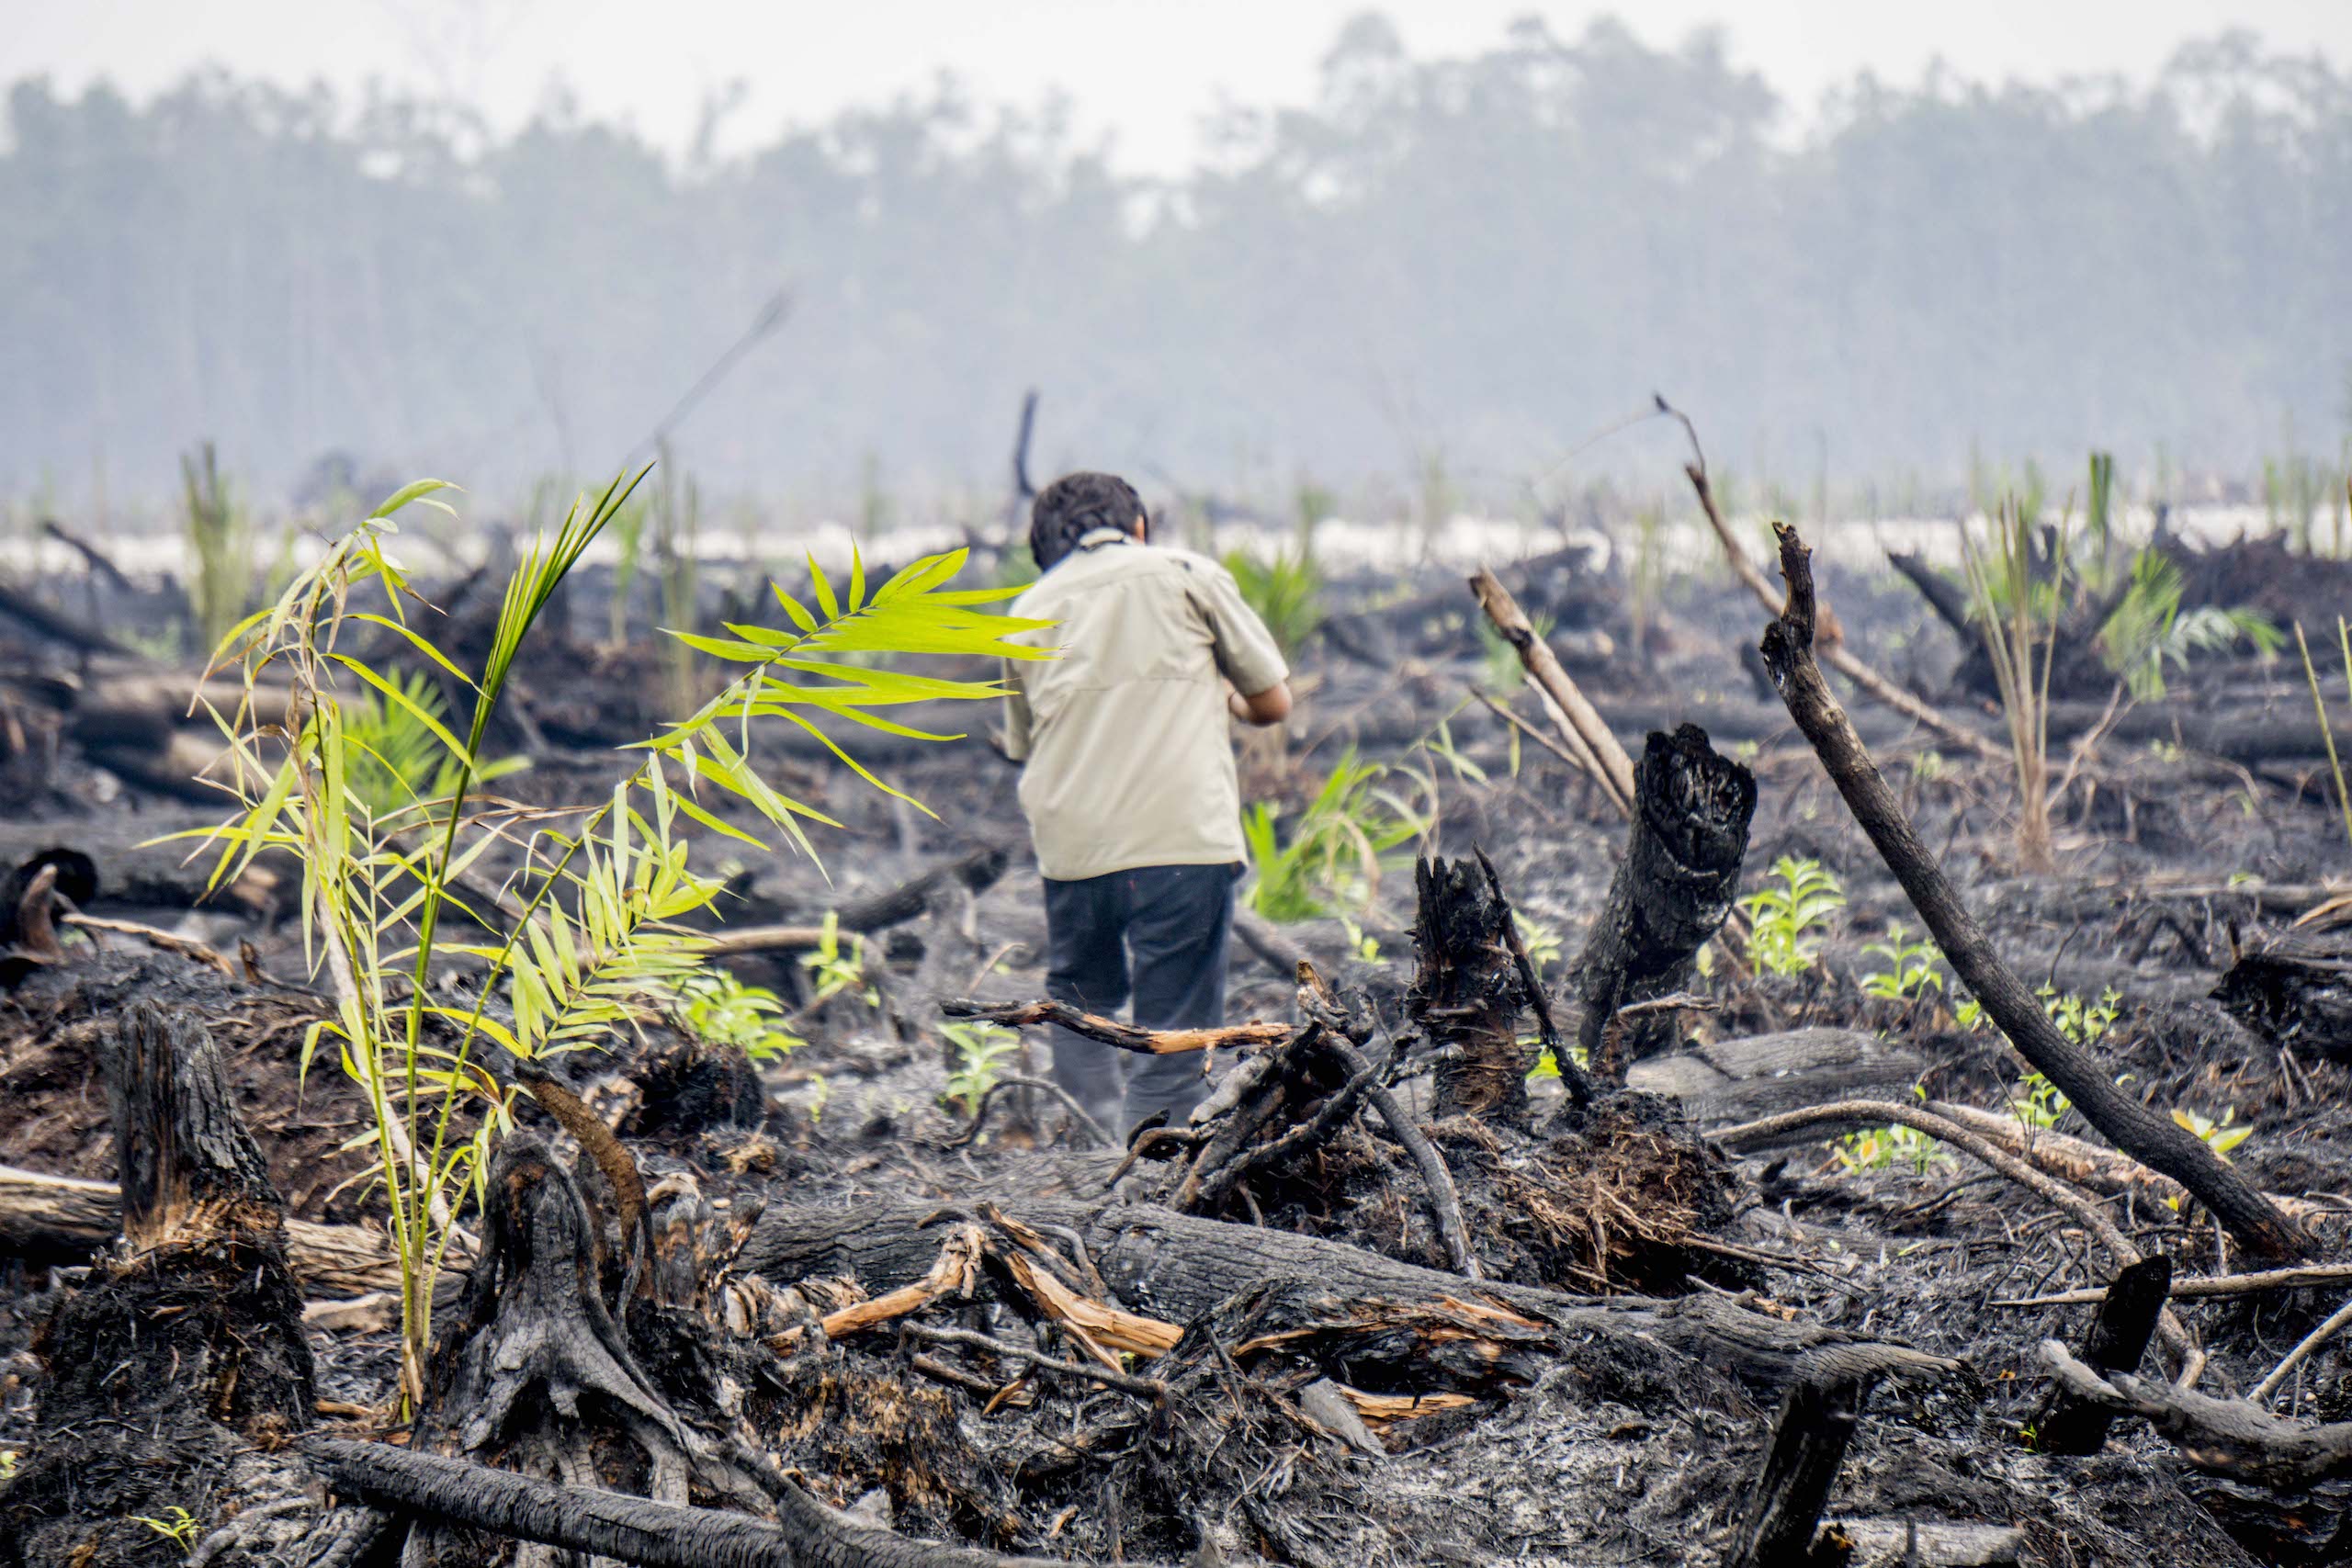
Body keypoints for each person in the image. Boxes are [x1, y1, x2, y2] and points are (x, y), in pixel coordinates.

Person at [1001, 471, 1293, 1137]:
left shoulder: (1027, 610)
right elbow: (1273, 702)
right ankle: (1149, 1169)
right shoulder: (1187, 574)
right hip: (1181, 839)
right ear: (1138, 527)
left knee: (1080, 1000)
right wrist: (1224, 697)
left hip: (1074, 849)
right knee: (1177, 1021)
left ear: (1045, 548)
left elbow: (1022, 745)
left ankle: (1091, 1147)